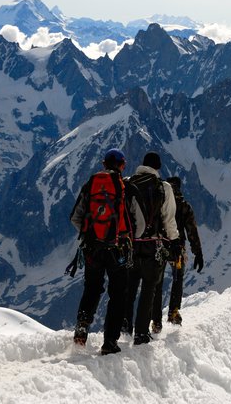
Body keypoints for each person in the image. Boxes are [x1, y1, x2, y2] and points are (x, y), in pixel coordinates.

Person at [69, 148, 136, 356]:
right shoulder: (126, 187)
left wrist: (91, 234)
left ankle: (82, 327)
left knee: (92, 288)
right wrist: (125, 237)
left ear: (104, 164)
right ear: (122, 166)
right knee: (118, 294)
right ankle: (109, 342)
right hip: (119, 249)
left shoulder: (91, 185)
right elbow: (139, 222)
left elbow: (75, 217)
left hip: (92, 248)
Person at [123, 152, 181, 345]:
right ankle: (141, 332)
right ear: (158, 167)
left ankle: (125, 325)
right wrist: (174, 242)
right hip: (153, 245)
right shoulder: (163, 187)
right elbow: (169, 219)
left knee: (129, 287)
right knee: (149, 288)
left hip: (130, 245)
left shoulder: (128, 183)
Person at [152, 176, 203, 331]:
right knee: (177, 278)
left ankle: (156, 320)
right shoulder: (184, 205)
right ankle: (173, 312)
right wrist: (198, 252)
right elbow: (191, 231)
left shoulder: (160, 202)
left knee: (157, 282)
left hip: (160, 246)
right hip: (177, 247)